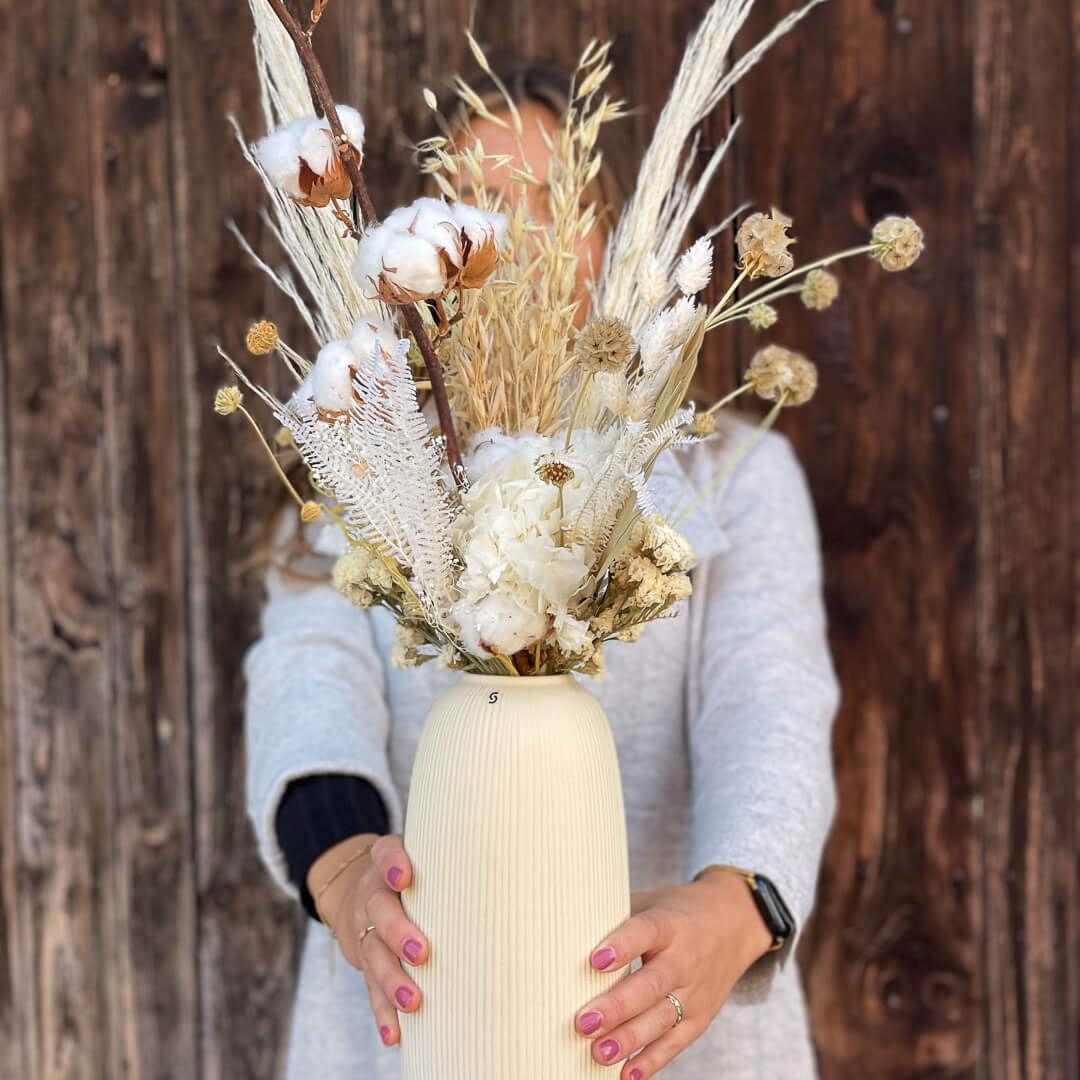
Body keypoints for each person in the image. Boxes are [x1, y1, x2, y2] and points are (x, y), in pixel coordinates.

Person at [244, 58, 839, 1080]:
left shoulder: (730, 478)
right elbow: (308, 672)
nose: (510, 245)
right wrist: (342, 866)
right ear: (415, 254)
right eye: (472, 207)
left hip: (668, 1029)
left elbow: (771, 702)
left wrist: (736, 905)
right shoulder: (368, 470)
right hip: (409, 1022)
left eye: (542, 205)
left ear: (606, 239)